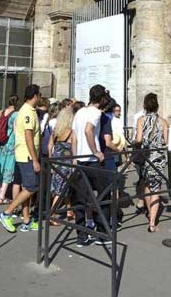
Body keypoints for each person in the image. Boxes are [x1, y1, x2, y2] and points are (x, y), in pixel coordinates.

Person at [0, 84, 41, 233]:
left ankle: (26, 219)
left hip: (24, 154)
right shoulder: (27, 112)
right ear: (35, 96)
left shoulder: (28, 110)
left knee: (27, 187)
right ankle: (6, 213)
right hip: (26, 155)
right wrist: (35, 159)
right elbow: (28, 137)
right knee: (31, 187)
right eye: (39, 95)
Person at [70, 84, 111, 247]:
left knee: (81, 198)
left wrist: (74, 157)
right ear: (101, 98)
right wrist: (96, 151)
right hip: (93, 161)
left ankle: (82, 235)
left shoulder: (80, 112)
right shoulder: (95, 112)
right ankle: (102, 232)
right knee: (103, 195)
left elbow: (74, 136)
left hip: (80, 159)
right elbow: (88, 130)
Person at [135, 92, 168, 233]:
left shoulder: (141, 120)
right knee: (156, 188)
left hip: (146, 158)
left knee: (147, 186)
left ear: (145, 106)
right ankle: (153, 222)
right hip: (158, 159)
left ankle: (150, 215)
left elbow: (138, 140)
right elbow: (167, 142)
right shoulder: (163, 122)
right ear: (157, 106)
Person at [47, 106, 74, 226]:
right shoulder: (71, 132)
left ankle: (69, 210)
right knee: (61, 190)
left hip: (56, 162)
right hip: (66, 164)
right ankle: (51, 215)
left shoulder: (56, 131)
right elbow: (74, 149)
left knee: (62, 187)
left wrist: (51, 158)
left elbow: (49, 146)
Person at [0, 96, 19, 205]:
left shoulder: (1, 112)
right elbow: (16, 131)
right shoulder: (16, 115)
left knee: (0, 169)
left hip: (0, 145)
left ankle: (0, 194)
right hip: (10, 145)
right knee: (8, 170)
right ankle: (1, 197)